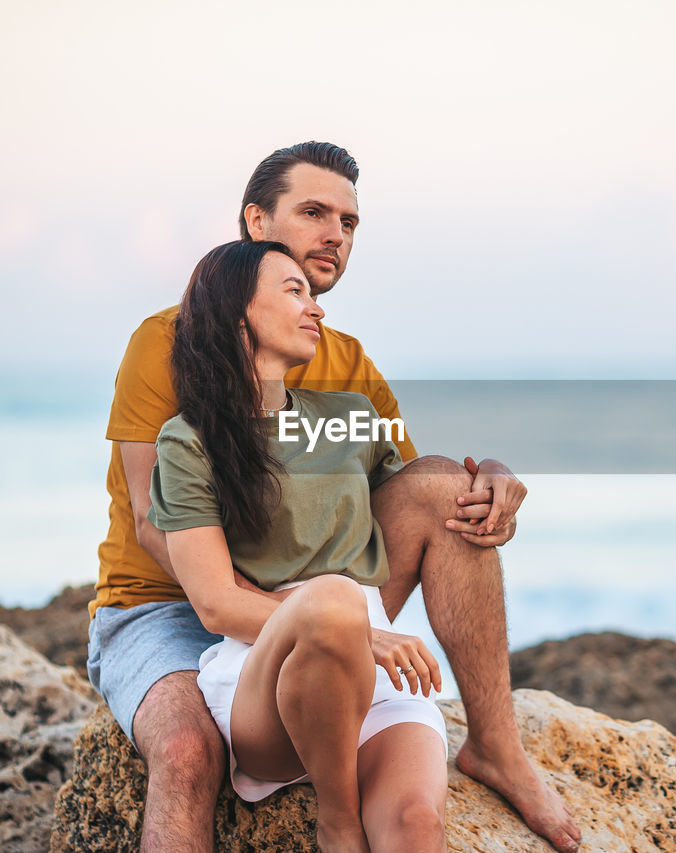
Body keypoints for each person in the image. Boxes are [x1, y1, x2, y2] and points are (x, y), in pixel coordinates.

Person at [88, 142, 581, 852]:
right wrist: (323, 619)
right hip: (166, 601)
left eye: (349, 222)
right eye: (313, 212)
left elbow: (409, 496)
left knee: (449, 495)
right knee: (187, 751)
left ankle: (496, 746)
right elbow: (151, 520)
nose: (335, 235)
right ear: (254, 222)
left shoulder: (345, 362)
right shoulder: (164, 342)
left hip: (316, 604)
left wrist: (488, 482)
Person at [151, 239, 450, 851]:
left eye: (312, 295)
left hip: (374, 677)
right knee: (337, 599)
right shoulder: (189, 441)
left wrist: (487, 480)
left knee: (417, 825)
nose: (316, 308)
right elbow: (214, 604)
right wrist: (355, 629)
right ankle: (337, 822)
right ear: (239, 320)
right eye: (294, 292)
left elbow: (424, 498)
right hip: (268, 677)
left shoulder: (352, 415)